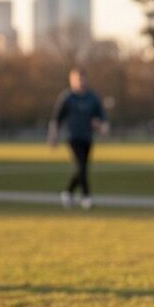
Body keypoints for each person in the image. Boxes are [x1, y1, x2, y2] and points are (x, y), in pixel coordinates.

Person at [47, 68, 109, 209]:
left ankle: (68, 192)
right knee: (81, 166)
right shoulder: (67, 97)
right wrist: (53, 136)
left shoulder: (93, 98)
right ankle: (86, 197)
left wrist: (102, 127)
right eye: (78, 79)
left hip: (87, 137)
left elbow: (102, 118)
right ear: (72, 80)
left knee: (82, 168)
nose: (81, 81)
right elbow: (56, 119)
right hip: (73, 137)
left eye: (83, 78)